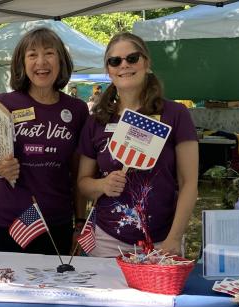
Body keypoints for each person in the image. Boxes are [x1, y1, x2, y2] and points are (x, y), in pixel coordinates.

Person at [77, 32, 199, 257]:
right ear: (109, 70)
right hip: (108, 240)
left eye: (132, 58)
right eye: (115, 61)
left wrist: (174, 238)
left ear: (146, 62)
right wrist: (102, 185)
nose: (124, 65)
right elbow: (83, 183)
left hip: (163, 240)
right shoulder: (96, 120)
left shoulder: (175, 114)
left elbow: (189, 182)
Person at [0, 27, 89, 255]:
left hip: (56, 222)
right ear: (22, 62)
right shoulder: (3, 103)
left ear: (60, 60)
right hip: (5, 220)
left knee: (51, 289)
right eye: (32, 55)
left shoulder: (77, 110)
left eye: (49, 53)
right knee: (3, 288)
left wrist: (79, 222)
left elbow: (79, 173)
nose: (41, 62)